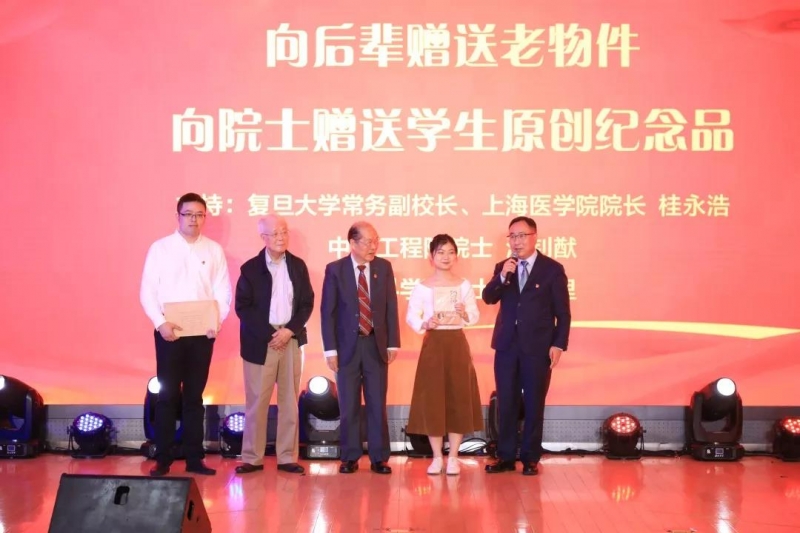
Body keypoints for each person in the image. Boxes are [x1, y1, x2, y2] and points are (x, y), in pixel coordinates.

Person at [140, 192, 232, 476]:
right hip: (169, 333)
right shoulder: (161, 248)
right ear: (178, 216)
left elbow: (222, 291)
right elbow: (148, 291)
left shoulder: (213, 250)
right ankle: (163, 459)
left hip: (202, 335)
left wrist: (216, 322)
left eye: (199, 215)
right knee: (167, 397)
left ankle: (194, 458)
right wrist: (160, 323)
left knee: (194, 397)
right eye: (188, 214)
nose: (194, 219)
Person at [481, 216, 571, 476]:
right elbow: (488, 297)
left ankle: (531, 457)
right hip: (507, 345)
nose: (516, 242)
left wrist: (558, 344)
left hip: (538, 347)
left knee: (534, 402)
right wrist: (502, 276)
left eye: (522, 236)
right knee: (506, 401)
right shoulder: (503, 267)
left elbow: (563, 313)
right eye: (512, 236)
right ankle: (506, 456)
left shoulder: (552, 269)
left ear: (534, 236)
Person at [234, 215, 314, 475]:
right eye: (275, 233)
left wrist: (289, 331)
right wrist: (271, 334)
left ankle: (287, 456)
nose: (281, 237)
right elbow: (243, 308)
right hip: (261, 342)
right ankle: (252, 457)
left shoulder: (298, 266)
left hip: (290, 338)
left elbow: (307, 303)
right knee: (257, 401)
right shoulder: (250, 269)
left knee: (289, 401)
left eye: (284, 232)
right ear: (264, 238)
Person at [320, 221, 400, 474]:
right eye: (367, 241)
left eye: (376, 240)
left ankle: (379, 457)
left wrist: (393, 342)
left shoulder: (383, 268)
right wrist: (330, 350)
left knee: (377, 403)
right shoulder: (335, 270)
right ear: (352, 243)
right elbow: (328, 312)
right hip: (346, 348)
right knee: (349, 405)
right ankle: (350, 456)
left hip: (376, 344)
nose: (373, 246)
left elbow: (390, 306)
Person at [405, 234, 483, 476]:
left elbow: (474, 315)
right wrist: (425, 323)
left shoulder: (464, 285)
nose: (446, 257)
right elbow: (411, 316)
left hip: (457, 344)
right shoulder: (422, 287)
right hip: (434, 345)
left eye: (450, 252)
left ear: (456, 256)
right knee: (433, 399)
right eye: (440, 252)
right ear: (431, 257)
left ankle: (453, 457)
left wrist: (464, 312)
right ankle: (437, 457)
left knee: (458, 398)